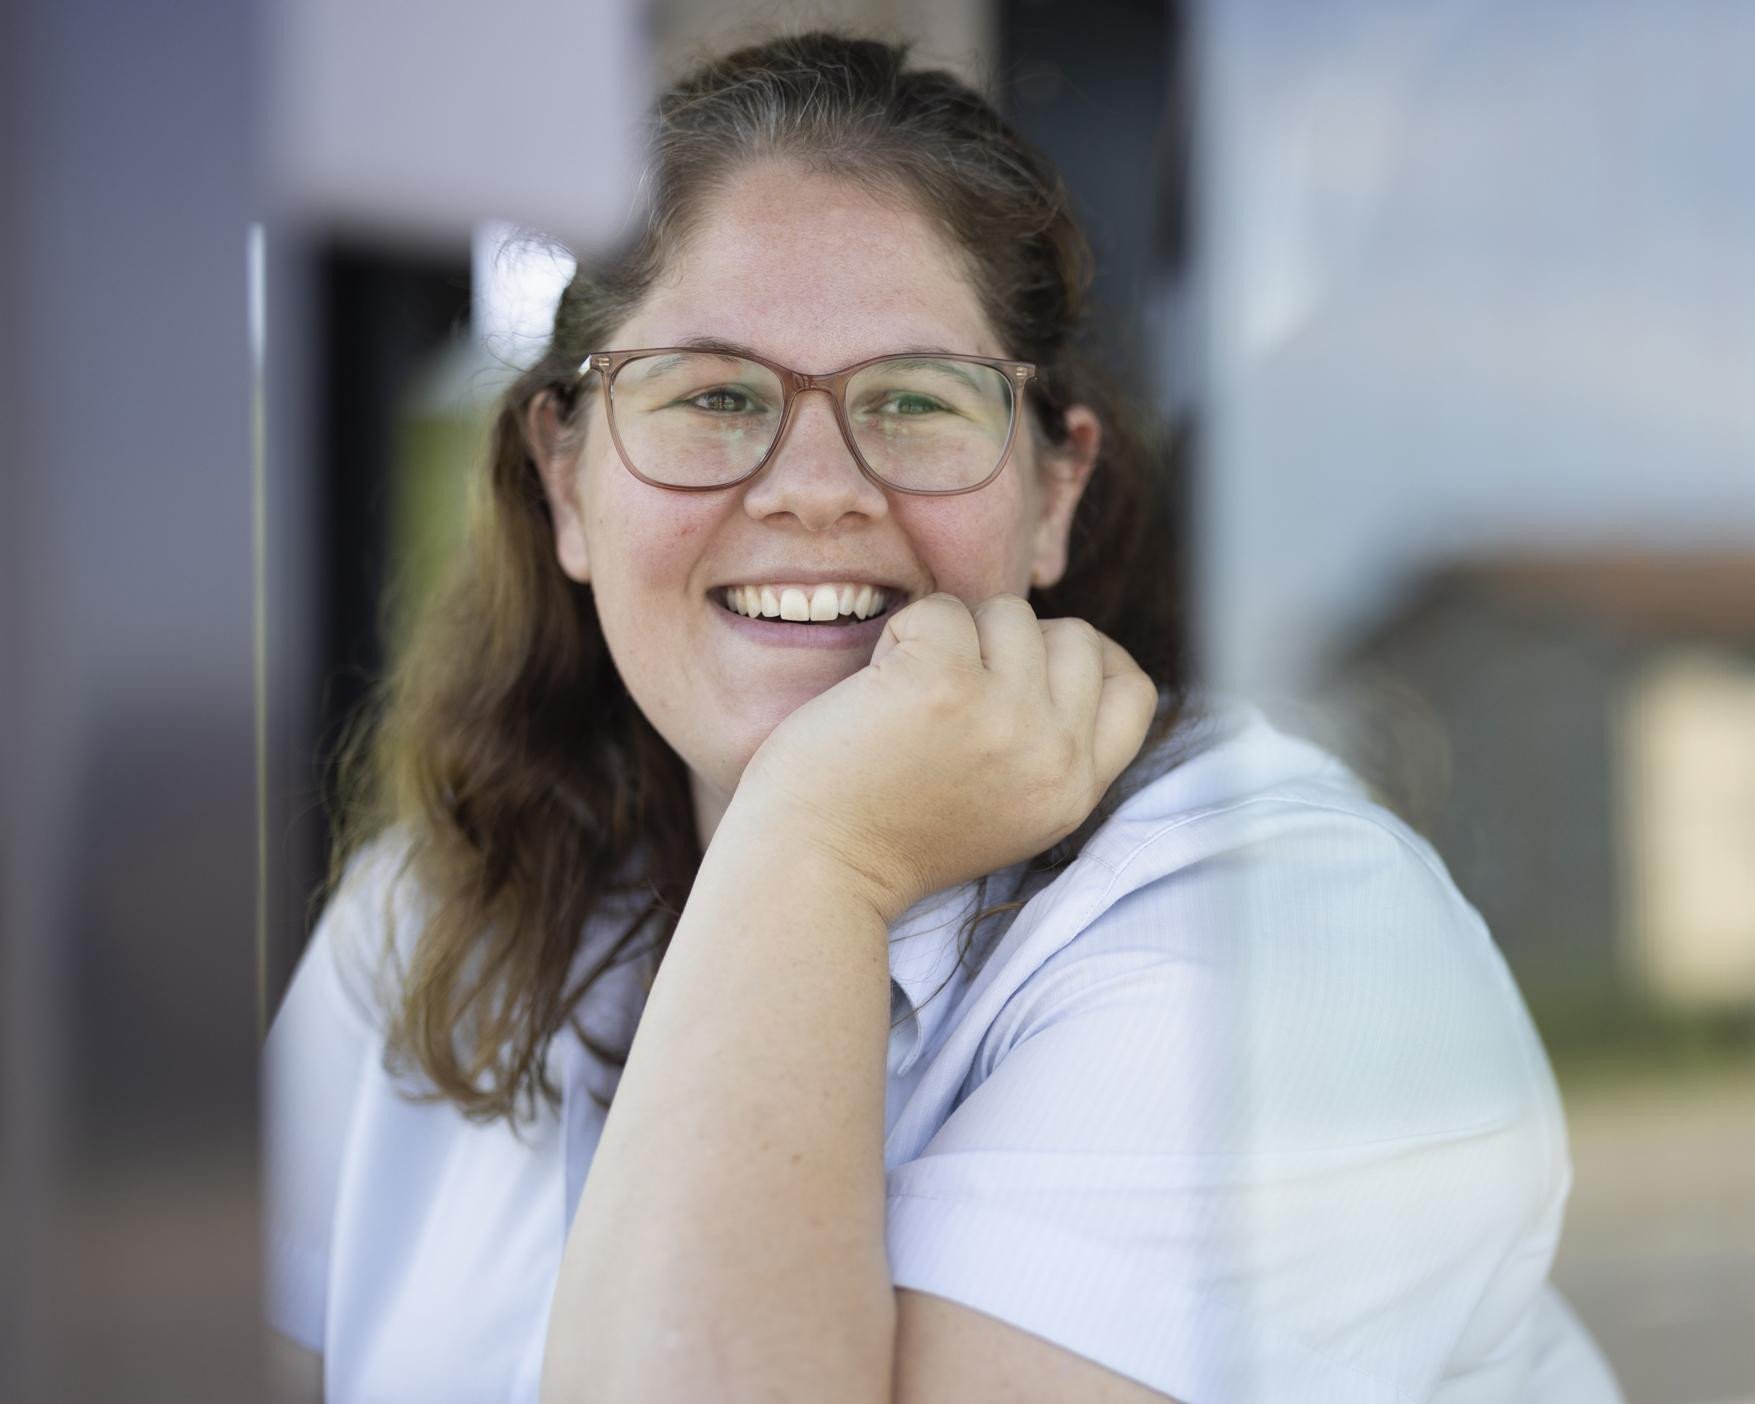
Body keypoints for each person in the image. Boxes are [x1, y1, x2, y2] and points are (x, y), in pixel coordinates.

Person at [263, 30, 1623, 1404]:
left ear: (1050, 495)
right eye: (713, 396)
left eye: (913, 401)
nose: (813, 487)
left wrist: (815, 848)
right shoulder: (429, 923)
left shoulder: (1286, 944)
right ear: (566, 483)